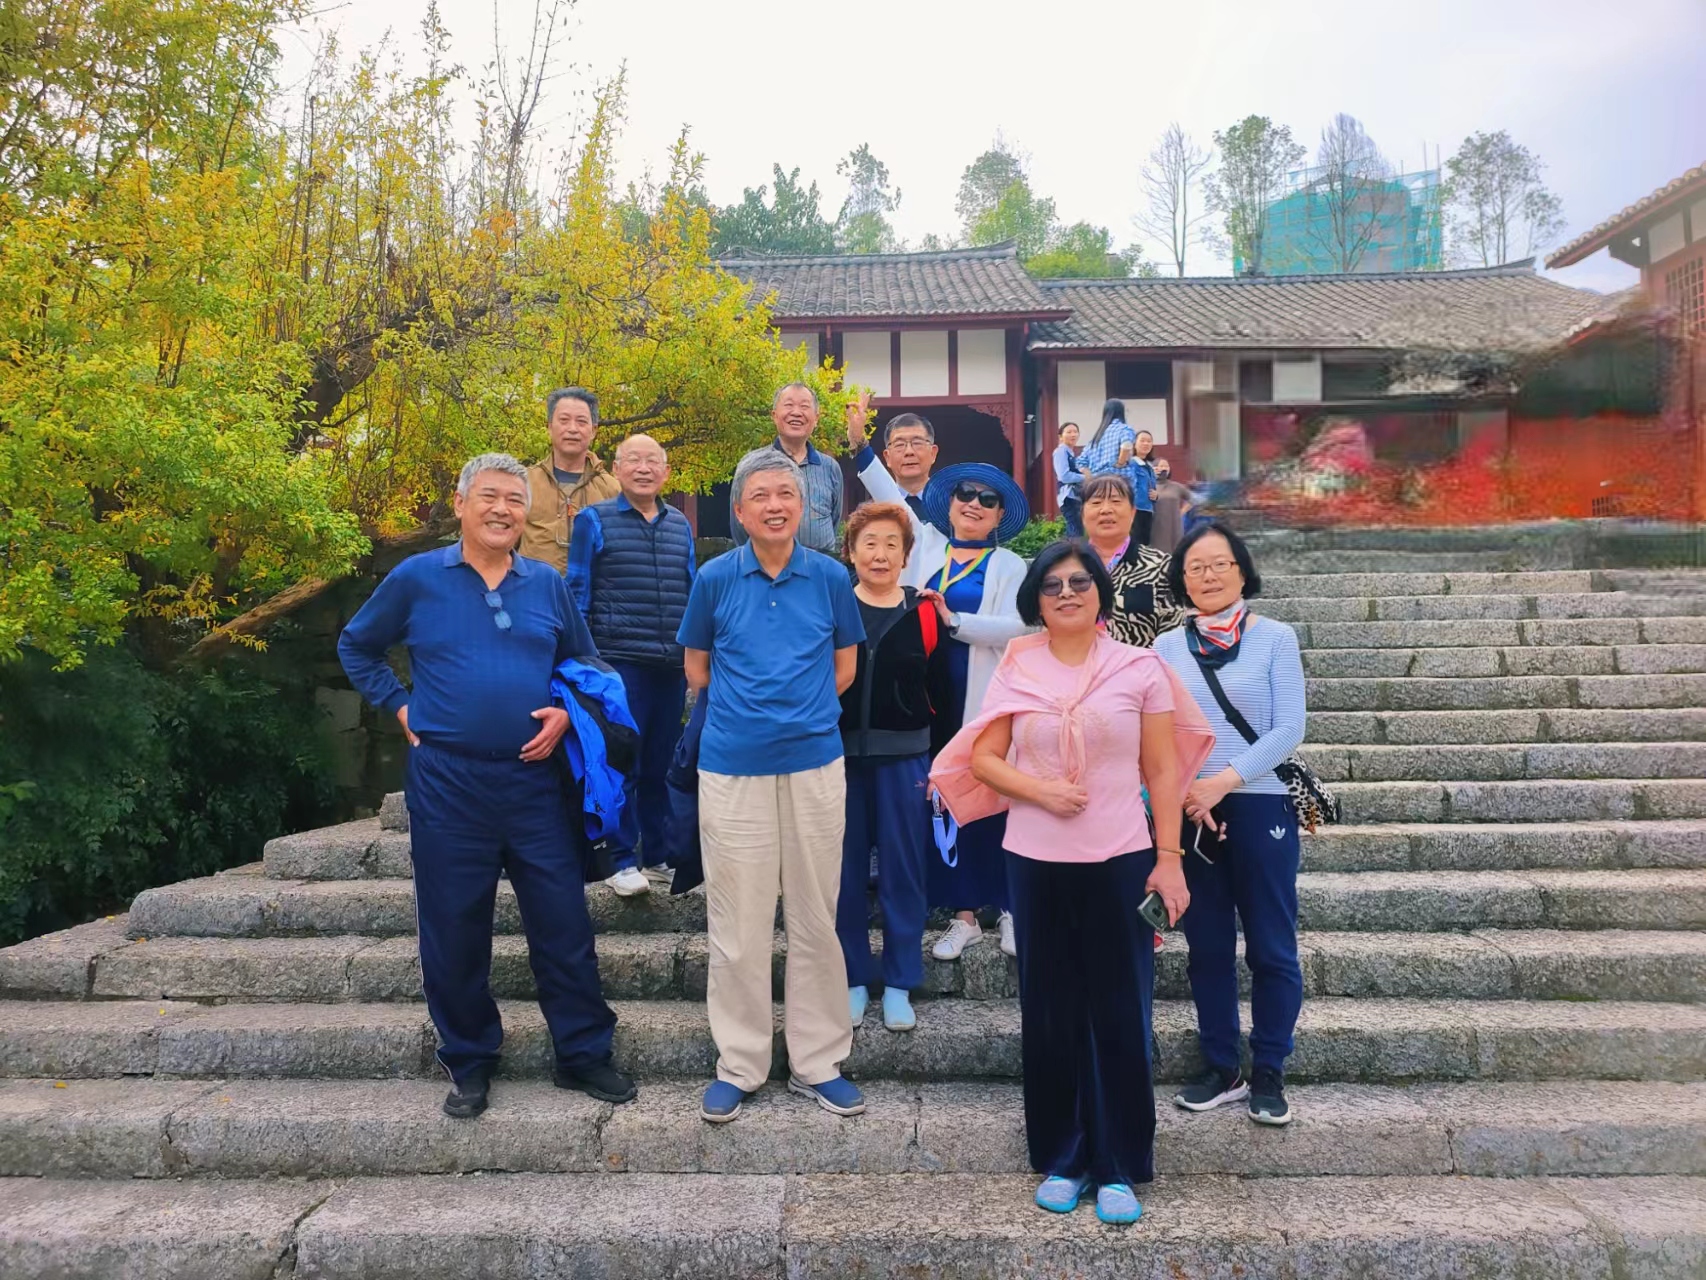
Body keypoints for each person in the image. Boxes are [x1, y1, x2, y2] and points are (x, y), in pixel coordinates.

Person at [338, 452, 636, 1120]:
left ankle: (583, 1053)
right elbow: (357, 645)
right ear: (461, 503)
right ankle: (469, 1058)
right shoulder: (417, 578)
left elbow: (584, 661)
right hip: (449, 782)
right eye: (490, 497)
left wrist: (567, 714)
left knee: (563, 922)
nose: (503, 510)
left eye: (514, 500)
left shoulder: (547, 584)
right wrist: (400, 705)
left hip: (536, 782)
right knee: (454, 926)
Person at [930, 541, 1213, 1225]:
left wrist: (1170, 858)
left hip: (1120, 855)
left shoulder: (1139, 668)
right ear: (1036, 599)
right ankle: (1063, 1155)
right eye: (1052, 585)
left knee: (1119, 1009)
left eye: (1079, 582)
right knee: (1050, 1008)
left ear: (1099, 593)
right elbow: (985, 758)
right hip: (1034, 857)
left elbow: (1162, 770)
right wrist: (1042, 791)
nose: (1066, 594)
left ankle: (1117, 1161)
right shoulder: (1018, 663)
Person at [681, 447, 866, 1124]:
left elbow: (845, 667)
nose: (774, 505)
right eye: (759, 495)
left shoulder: (831, 577)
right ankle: (740, 1063)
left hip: (814, 762)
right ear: (739, 511)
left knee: (816, 914)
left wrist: (800, 714)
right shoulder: (714, 578)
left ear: (804, 504)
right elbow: (697, 669)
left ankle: (818, 1061)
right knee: (738, 921)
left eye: (785, 494)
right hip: (732, 766)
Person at [1154, 521, 1307, 1128]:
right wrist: (1186, 797)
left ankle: (1269, 1069)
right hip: (1193, 812)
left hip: (1259, 802)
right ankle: (1223, 1066)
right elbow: (1160, 732)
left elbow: (1289, 728)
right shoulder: (1167, 646)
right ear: (1182, 580)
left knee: (1271, 945)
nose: (1209, 575)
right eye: (1196, 567)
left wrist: (1221, 782)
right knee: (1208, 947)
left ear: (1242, 572)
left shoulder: (1275, 638)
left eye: (1220, 563)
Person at [836, 503, 953, 1033]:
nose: (880, 554)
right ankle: (854, 978)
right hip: (838, 760)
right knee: (843, 874)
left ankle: (902, 980)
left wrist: (941, 765)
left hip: (907, 760)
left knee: (904, 870)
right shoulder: (834, 606)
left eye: (891, 545)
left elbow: (944, 695)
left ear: (906, 557)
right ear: (851, 552)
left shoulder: (924, 613)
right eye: (869, 543)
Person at [565, 434, 695, 897]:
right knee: (621, 763)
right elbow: (577, 594)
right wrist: (583, 667)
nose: (643, 468)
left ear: (666, 472)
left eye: (652, 460)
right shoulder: (593, 520)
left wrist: (694, 657)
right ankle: (620, 859)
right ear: (616, 469)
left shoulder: (680, 524)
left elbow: (691, 593)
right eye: (633, 460)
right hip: (618, 664)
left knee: (662, 765)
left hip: (670, 664)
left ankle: (657, 855)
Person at [917, 462, 1031, 961]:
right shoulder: (925, 548)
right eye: (965, 493)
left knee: (995, 801)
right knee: (945, 802)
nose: (974, 504)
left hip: (985, 698)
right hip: (927, 696)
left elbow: (1021, 626)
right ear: (949, 502)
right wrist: (860, 449)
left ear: (1000, 515)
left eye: (988, 500)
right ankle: (963, 916)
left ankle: (1008, 908)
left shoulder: (1010, 564)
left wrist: (955, 619)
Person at [731, 382, 844, 558]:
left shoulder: (830, 467)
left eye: (804, 406)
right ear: (774, 416)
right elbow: (739, 525)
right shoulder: (752, 465)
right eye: (789, 405)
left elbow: (835, 519)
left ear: (816, 418)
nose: (796, 412)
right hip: (766, 564)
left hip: (819, 565)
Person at [845, 391, 944, 588]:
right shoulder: (871, 513)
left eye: (917, 443)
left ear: (933, 453)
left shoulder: (952, 508)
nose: (909, 452)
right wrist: (858, 441)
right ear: (887, 457)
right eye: (899, 445)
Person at [1079, 474, 1187, 649]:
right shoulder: (1068, 567)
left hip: (1143, 664)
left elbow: (1175, 634)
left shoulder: (1162, 566)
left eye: (1115, 501)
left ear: (1132, 512)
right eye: (1096, 502)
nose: (1106, 509)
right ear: (1083, 515)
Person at [519, 388, 622, 571]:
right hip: (535, 587)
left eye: (581, 421)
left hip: (592, 588)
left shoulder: (612, 489)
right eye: (564, 420)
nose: (572, 429)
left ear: (593, 430)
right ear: (550, 427)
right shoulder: (524, 483)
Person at [1150, 459, 1195, 554]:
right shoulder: (1149, 486)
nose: (1163, 468)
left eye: (1166, 466)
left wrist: (1182, 511)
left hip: (1174, 524)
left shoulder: (1176, 487)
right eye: (1161, 466)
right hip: (1157, 525)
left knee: (1176, 550)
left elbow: (1192, 499)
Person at [1053, 423, 1085, 537]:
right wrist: (1085, 477)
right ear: (1060, 436)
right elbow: (1064, 476)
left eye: (1075, 432)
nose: (1073, 435)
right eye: (1069, 432)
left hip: (1074, 496)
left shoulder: (1069, 452)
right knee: (1075, 530)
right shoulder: (1061, 451)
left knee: (1075, 529)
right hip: (1068, 496)